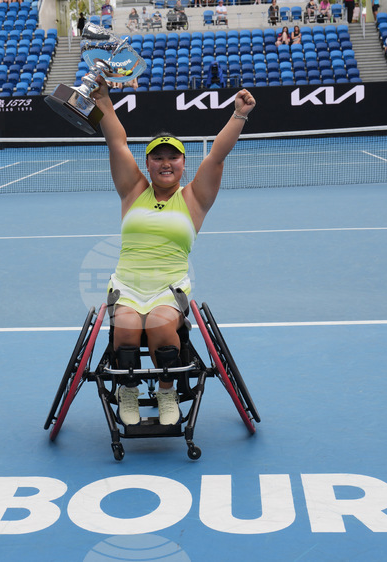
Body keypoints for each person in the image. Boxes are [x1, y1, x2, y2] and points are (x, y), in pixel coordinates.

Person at [89, 76, 256, 426]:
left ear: (183, 162)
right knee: (126, 330)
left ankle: (167, 393)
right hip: (127, 286)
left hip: (169, 288)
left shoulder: (194, 197)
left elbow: (217, 155)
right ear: (148, 163)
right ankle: (128, 392)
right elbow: (117, 143)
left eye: (173, 157)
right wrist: (103, 101)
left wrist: (239, 114)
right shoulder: (133, 190)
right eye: (158, 157)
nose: (166, 163)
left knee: (162, 327)